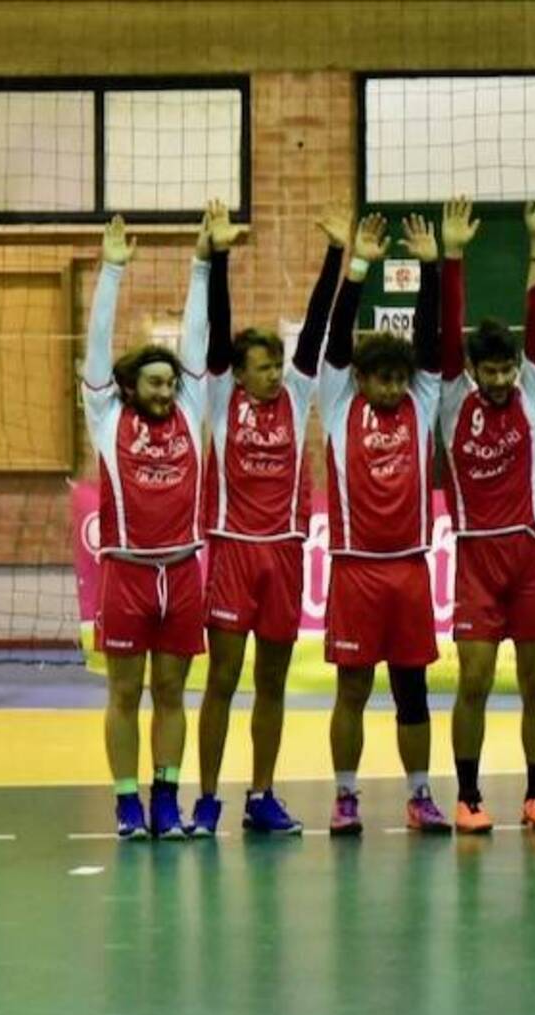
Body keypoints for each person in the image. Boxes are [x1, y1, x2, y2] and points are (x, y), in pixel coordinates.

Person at [191, 202, 346, 838]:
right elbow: (219, 328)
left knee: (273, 682)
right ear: (240, 371)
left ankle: (262, 794)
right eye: (262, 365)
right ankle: (205, 799)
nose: (274, 372)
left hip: (283, 553)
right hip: (232, 551)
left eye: (276, 364)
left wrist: (338, 257)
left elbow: (314, 333)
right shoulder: (223, 395)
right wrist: (219, 255)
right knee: (223, 679)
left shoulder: (297, 394)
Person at [435, 196, 535, 834]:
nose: (500, 378)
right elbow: (442, 330)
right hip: (478, 555)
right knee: (476, 678)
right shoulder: (451, 397)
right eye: (489, 370)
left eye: (506, 368)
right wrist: (453, 257)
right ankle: (467, 794)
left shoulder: (533, 386)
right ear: (471, 369)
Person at [82, 212, 212, 840]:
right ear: (129, 388)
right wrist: (111, 270)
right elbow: (96, 348)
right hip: (127, 576)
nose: (166, 391)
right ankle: (127, 801)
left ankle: (167, 796)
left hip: (182, 572)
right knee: (124, 694)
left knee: (171, 692)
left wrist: (202, 262)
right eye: (153, 383)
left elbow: (197, 341)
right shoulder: (107, 419)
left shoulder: (190, 411)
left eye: (170, 383)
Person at [320, 213, 448, 835]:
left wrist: (430, 268)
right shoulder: (339, 402)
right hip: (355, 572)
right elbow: (338, 339)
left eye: (401, 378)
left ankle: (420, 795)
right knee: (351, 690)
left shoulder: (422, 404)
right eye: (382, 378)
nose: (394, 387)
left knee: (412, 691)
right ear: (362, 380)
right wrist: (359, 269)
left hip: (409, 570)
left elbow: (430, 342)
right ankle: (346, 797)